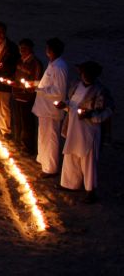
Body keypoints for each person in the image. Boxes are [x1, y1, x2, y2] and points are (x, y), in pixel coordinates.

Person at [58, 61, 114, 203]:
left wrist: (90, 115)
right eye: (85, 73)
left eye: (90, 73)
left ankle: (90, 191)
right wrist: (64, 105)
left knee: (88, 161)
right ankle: (70, 184)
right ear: (81, 73)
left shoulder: (100, 91)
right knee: (71, 156)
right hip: (73, 128)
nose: (87, 76)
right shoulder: (76, 86)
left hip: (89, 132)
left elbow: (107, 111)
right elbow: (71, 105)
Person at [32, 38, 68, 178]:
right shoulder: (52, 64)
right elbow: (47, 84)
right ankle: (43, 160)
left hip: (51, 110)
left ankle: (51, 168)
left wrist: (39, 90)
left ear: (52, 50)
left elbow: (59, 92)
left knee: (51, 138)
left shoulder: (60, 67)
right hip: (44, 108)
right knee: (43, 135)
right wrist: (35, 84)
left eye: (48, 48)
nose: (46, 50)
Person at [11, 39, 43, 154]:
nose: (22, 50)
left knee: (28, 123)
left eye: (24, 48)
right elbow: (16, 76)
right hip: (17, 95)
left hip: (27, 98)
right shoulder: (20, 61)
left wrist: (24, 85)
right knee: (18, 121)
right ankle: (19, 142)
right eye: (20, 48)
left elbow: (37, 82)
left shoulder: (35, 63)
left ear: (30, 49)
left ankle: (28, 147)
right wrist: (13, 83)